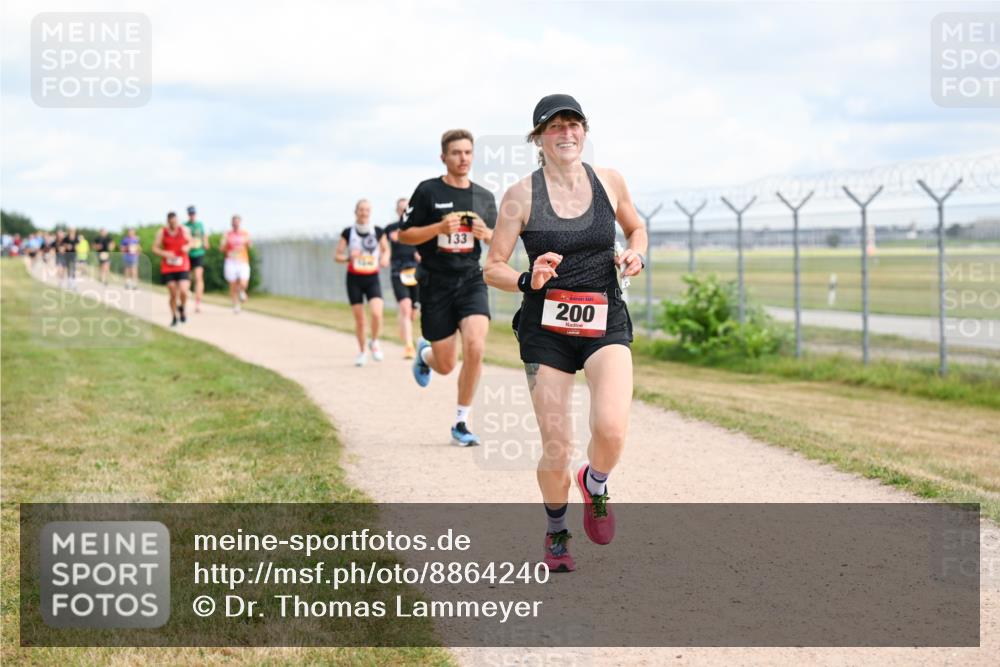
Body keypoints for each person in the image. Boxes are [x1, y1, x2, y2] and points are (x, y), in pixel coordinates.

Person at [484, 95, 648, 572]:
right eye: (554, 127)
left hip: (604, 319)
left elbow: (636, 228)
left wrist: (636, 254)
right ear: (538, 138)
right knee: (556, 445)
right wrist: (525, 276)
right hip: (546, 328)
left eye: (573, 125)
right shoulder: (521, 195)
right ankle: (557, 531)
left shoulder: (610, 181)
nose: (566, 134)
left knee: (612, 429)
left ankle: (594, 483)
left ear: (585, 131)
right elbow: (491, 266)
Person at [398, 129, 497, 447]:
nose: (463, 158)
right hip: (436, 284)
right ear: (444, 157)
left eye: (468, 152)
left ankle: (461, 422)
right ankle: (425, 355)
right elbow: (405, 235)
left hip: (470, 281)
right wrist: (439, 227)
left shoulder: (483, 197)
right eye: (456, 153)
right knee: (445, 365)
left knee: (476, 346)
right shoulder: (428, 191)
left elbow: (500, 240)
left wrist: (487, 234)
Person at [335, 200, 390, 366]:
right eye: (361, 210)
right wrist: (348, 257)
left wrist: (385, 258)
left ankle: (374, 341)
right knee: (360, 320)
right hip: (354, 279)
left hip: (372, 277)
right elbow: (337, 255)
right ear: (356, 211)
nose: (364, 212)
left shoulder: (378, 231)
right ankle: (361, 352)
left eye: (367, 210)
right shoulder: (348, 232)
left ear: (370, 212)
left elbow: (386, 249)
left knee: (376, 313)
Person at [384, 197, 421, 358]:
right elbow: (382, 247)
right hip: (398, 272)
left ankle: (404, 324)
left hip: (416, 272)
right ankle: (409, 346)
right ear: (397, 210)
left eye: (406, 208)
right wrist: (384, 256)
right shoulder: (390, 229)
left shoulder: (418, 227)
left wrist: (420, 254)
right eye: (400, 208)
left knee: (413, 312)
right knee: (405, 307)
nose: (403, 210)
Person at [152, 212, 192, 327]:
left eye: (175, 222)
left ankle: (182, 308)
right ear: (168, 222)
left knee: (184, 291)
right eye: (171, 222)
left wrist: (187, 247)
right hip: (168, 266)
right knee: (173, 293)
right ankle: (174, 317)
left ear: (178, 220)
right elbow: (155, 248)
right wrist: (164, 253)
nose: (173, 224)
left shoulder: (184, 230)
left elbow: (192, 242)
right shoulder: (162, 232)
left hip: (182, 264)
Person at [222, 215, 252, 313]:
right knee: (233, 284)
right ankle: (236, 305)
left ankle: (242, 291)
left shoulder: (245, 233)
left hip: (242, 260)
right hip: (231, 261)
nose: (235, 224)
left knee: (243, 283)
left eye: (237, 222)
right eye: (234, 222)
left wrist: (245, 244)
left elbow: (250, 245)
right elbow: (222, 248)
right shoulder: (227, 234)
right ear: (231, 223)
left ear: (240, 223)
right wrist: (225, 245)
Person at [184, 205, 209, 313]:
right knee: (187, 278)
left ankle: (198, 303)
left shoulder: (200, 225)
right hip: (187, 254)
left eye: (193, 213)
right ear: (188, 214)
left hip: (198, 253)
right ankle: (184, 300)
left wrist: (206, 243)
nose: (192, 215)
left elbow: (204, 236)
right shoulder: (184, 226)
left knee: (198, 277)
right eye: (190, 213)